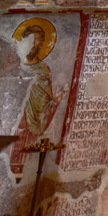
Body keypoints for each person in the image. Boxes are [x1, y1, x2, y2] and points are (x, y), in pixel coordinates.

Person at [10, 23, 66, 176]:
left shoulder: (44, 68)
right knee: (18, 141)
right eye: (35, 40)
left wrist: (55, 100)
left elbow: (45, 95)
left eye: (40, 40)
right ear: (24, 40)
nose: (38, 44)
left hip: (39, 115)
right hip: (23, 114)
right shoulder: (16, 64)